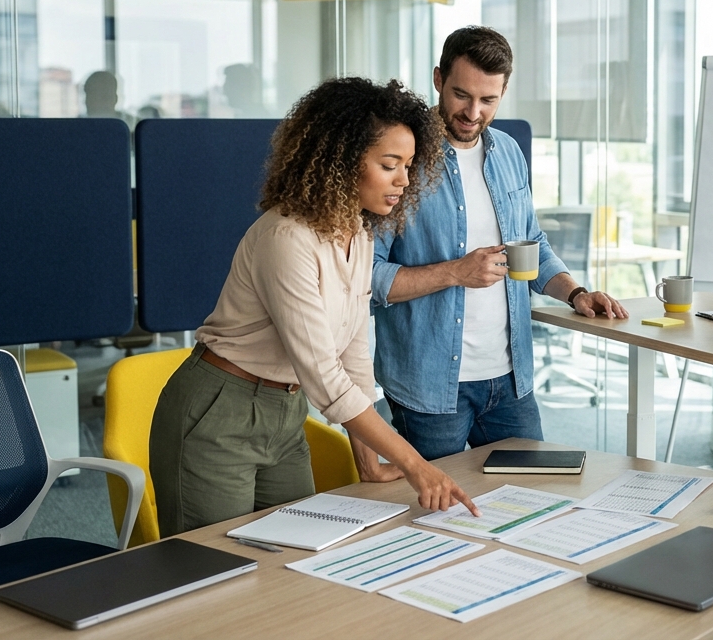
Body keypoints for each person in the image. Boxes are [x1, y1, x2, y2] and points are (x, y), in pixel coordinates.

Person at [150, 77, 479, 537]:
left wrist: (368, 460)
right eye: (390, 165)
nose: (404, 180)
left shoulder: (360, 234)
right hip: (218, 413)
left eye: (408, 165)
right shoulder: (286, 237)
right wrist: (415, 466)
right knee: (216, 575)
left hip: (286, 414)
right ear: (343, 162)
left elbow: (353, 353)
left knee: (294, 557)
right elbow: (324, 374)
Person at [372, 26, 627, 461]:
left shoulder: (508, 151)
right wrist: (456, 271)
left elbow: (533, 244)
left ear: (503, 91)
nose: (473, 112)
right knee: (437, 515)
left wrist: (575, 293)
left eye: (488, 100)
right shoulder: (403, 159)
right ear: (438, 80)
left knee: (533, 500)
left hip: (510, 380)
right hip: (431, 384)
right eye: (461, 95)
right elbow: (368, 275)